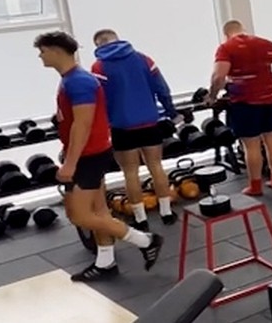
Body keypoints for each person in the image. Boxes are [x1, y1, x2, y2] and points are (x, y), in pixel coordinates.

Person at [33, 31, 163, 282]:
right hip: (92, 153)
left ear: (57, 51)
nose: (40, 56)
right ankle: (106, 262)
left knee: (79, 215)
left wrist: (70, 164)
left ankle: (146, 240)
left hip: (88, 157)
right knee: (99, 213)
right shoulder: (73, 78)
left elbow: (83, 125)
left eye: (43, 50)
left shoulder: (78, 81)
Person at [89, 30, 180, 227]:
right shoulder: (143, 59)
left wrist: (101, 127)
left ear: (98, 46)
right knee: (156, 167)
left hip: (122, 127)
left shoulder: (99, 67)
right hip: (149, 122)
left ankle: (141, 218)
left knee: (130, 172)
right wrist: (171, 112)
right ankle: (166, 213)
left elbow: (98, 101)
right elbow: (162, 89)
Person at [210, 21, 272, 196]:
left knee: (251, 146)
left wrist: (212, 96)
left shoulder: (226, 48)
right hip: (269, 99)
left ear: (226, 34)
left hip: (245, 102)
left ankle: (256, 187)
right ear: (243, 29)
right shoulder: (265, 43)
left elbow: (219, 76)